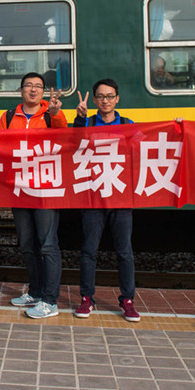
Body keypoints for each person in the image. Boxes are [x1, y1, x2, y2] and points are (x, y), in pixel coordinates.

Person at [0, 72, 67, 319]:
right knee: (27, 245)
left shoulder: (51, 114)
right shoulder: (7, 116)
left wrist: (57, 114)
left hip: (46, 189)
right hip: (19, 188)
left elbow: (64, 136)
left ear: (43, 91)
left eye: (38, 86)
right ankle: (35, 292)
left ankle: (50, 301)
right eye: (29, 86)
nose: (33, 90)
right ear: (21, 90)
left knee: (48, 245)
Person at [73, 78, 140, 322]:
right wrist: (80, 119)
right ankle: (86, 298)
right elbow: (73, 143)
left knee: (125, 252)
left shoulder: (127, 123)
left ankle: (128, 300)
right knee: (89, 251)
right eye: (100, 96)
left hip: (121, 197)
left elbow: (146, 145)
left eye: (110, 96)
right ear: (95, 99)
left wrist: (174, 127)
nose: (105, 100)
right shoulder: (88, 122)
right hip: (92, 197)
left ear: (117, 99)